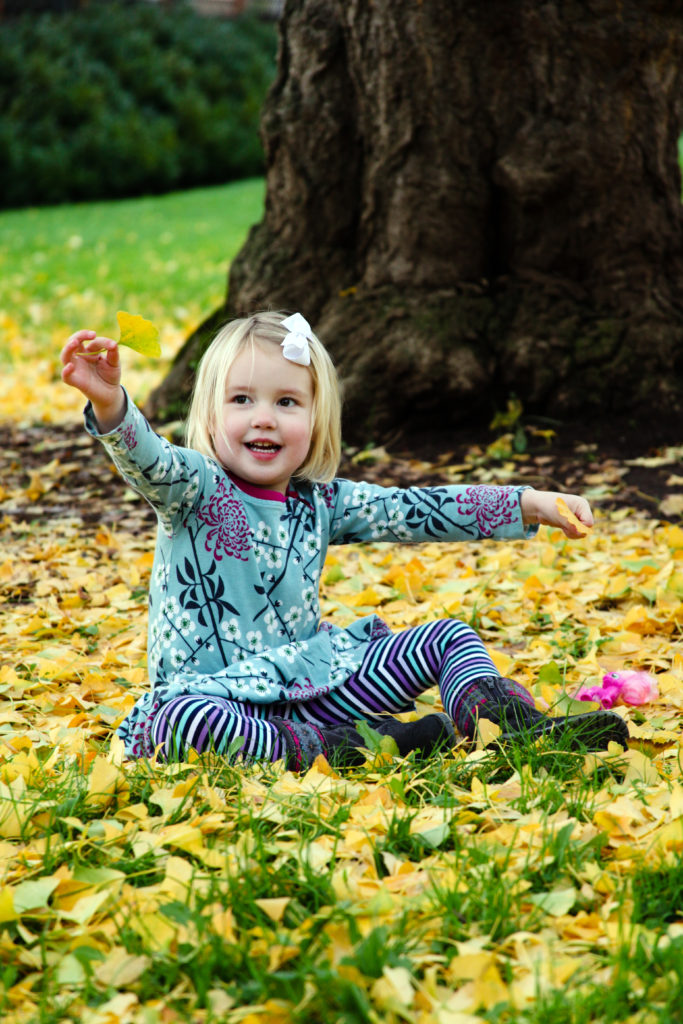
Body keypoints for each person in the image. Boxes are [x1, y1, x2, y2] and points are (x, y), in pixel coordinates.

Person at [61, 312, 629, 769]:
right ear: (209, 415)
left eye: (287, 402)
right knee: (175, 720)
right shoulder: (195, 487)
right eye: (242, 400)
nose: (264, 418)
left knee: (448, 637)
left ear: (316, 417)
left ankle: (498, 723)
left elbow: (414, 510)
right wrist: (111, 403)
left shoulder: (321, 500)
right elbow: (146, 458)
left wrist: (527, 503)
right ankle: (344, 750)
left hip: (313, 687)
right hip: (219, 701)